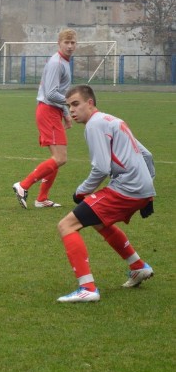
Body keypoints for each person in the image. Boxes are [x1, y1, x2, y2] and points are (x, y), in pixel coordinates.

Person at [55, 85, 155, 303]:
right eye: (68, 106)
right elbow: (147, 155)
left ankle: (87, 288)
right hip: (140, 187)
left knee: (66, 225)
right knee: (99, 221)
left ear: (90, 103)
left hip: (127, 188)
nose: (71, 110)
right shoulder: (112, 120)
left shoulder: (95, 125)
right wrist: (148, 189)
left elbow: (101, 168)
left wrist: (81, 191)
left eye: (76, 104)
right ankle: (138, 267)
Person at [12, 28, 77, 209]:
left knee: (57, 157)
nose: (70, 46)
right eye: (67, 42)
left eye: (73, 43)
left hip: (52, 111)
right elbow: (50, 93)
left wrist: (65, 113)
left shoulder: (63, 62)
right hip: (47, 111)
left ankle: (41, 199)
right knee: (61, 158)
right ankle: (23, 185)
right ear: (59, 43)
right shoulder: (57, 63)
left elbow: (58, 92)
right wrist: (71, 102)